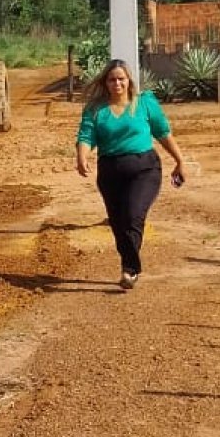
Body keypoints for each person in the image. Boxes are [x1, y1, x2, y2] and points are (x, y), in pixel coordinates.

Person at [76, 58, 187, 289]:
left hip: (144, 169)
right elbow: (86, 135)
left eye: (121, 79)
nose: (117, 83)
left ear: (129, 81)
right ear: (105, 82)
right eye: (112, 79)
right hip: (110, 171)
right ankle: (129, 262)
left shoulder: (144, 103)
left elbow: (163, 132)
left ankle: (130, 268)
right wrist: (82, 156)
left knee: (132, 214)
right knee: (118, 223)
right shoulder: (96, 109)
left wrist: (179, 160)